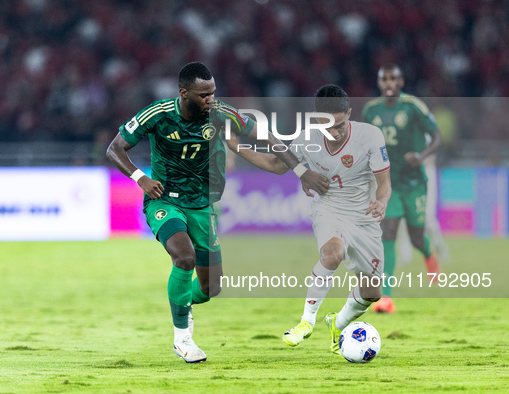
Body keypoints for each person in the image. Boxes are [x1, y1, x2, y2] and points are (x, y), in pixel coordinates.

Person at [106, 62, 329, 363]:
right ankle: (183, 338)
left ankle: (185, 303)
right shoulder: (158, 114)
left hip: (203, 205)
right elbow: (115, 148)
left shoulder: (221, 113)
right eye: (203, 95)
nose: (210, 99)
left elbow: (268, 139)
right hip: (166, 201)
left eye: (213, 93)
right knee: (183, 257)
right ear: (184, 93)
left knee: (212, 287)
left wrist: (302, 172)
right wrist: (140, 178)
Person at [227, 84, 392, 354]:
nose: (335, 132)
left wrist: (382, 202)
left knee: (372, 292)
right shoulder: (306, 139)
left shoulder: (371, 137)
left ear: (349, 113)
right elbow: (276, 164)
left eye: (340, 125)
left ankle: (337, 323)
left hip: (364, 216)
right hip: (329, 208)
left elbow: (384, 183)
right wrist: (238, 148)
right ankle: (306, 321)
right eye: (329, 126)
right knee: (332, 253)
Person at [362, 63, 443, 313]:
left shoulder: (413, 107)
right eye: (384, 79)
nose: (389, 83)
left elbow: (437, 137)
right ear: (379, 83)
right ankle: (386, 298)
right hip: (388, 184)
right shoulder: (370, 111)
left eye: (393, 79)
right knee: (388, 234)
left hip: (415, 183)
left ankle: (428, 254)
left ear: (401, 82)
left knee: (417, 237)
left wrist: (421, 155)